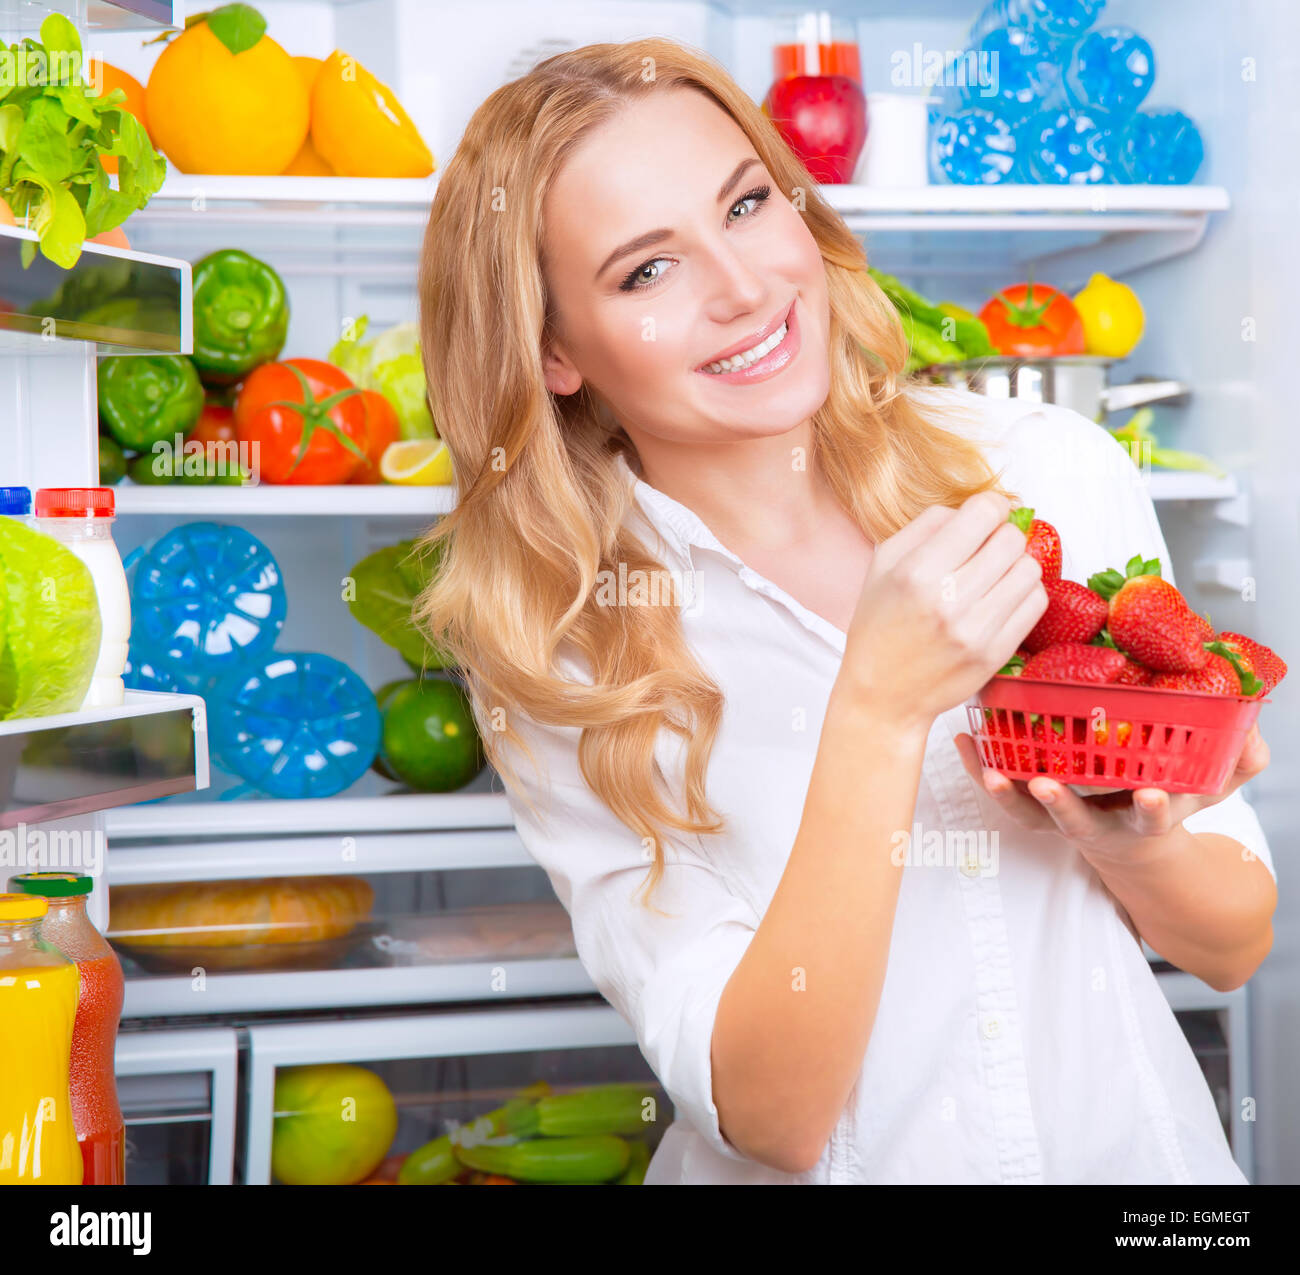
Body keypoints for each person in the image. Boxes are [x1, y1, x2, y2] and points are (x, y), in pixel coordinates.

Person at [413, 37, 1277, 1184]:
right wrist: (874, 711)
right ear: (556, 350)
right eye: (645, 271)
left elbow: (1231, 946)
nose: (744, 287)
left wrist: (1121, 839)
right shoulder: (565, 643)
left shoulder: (1040, 472)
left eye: (746, 204)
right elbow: (771, 1115)